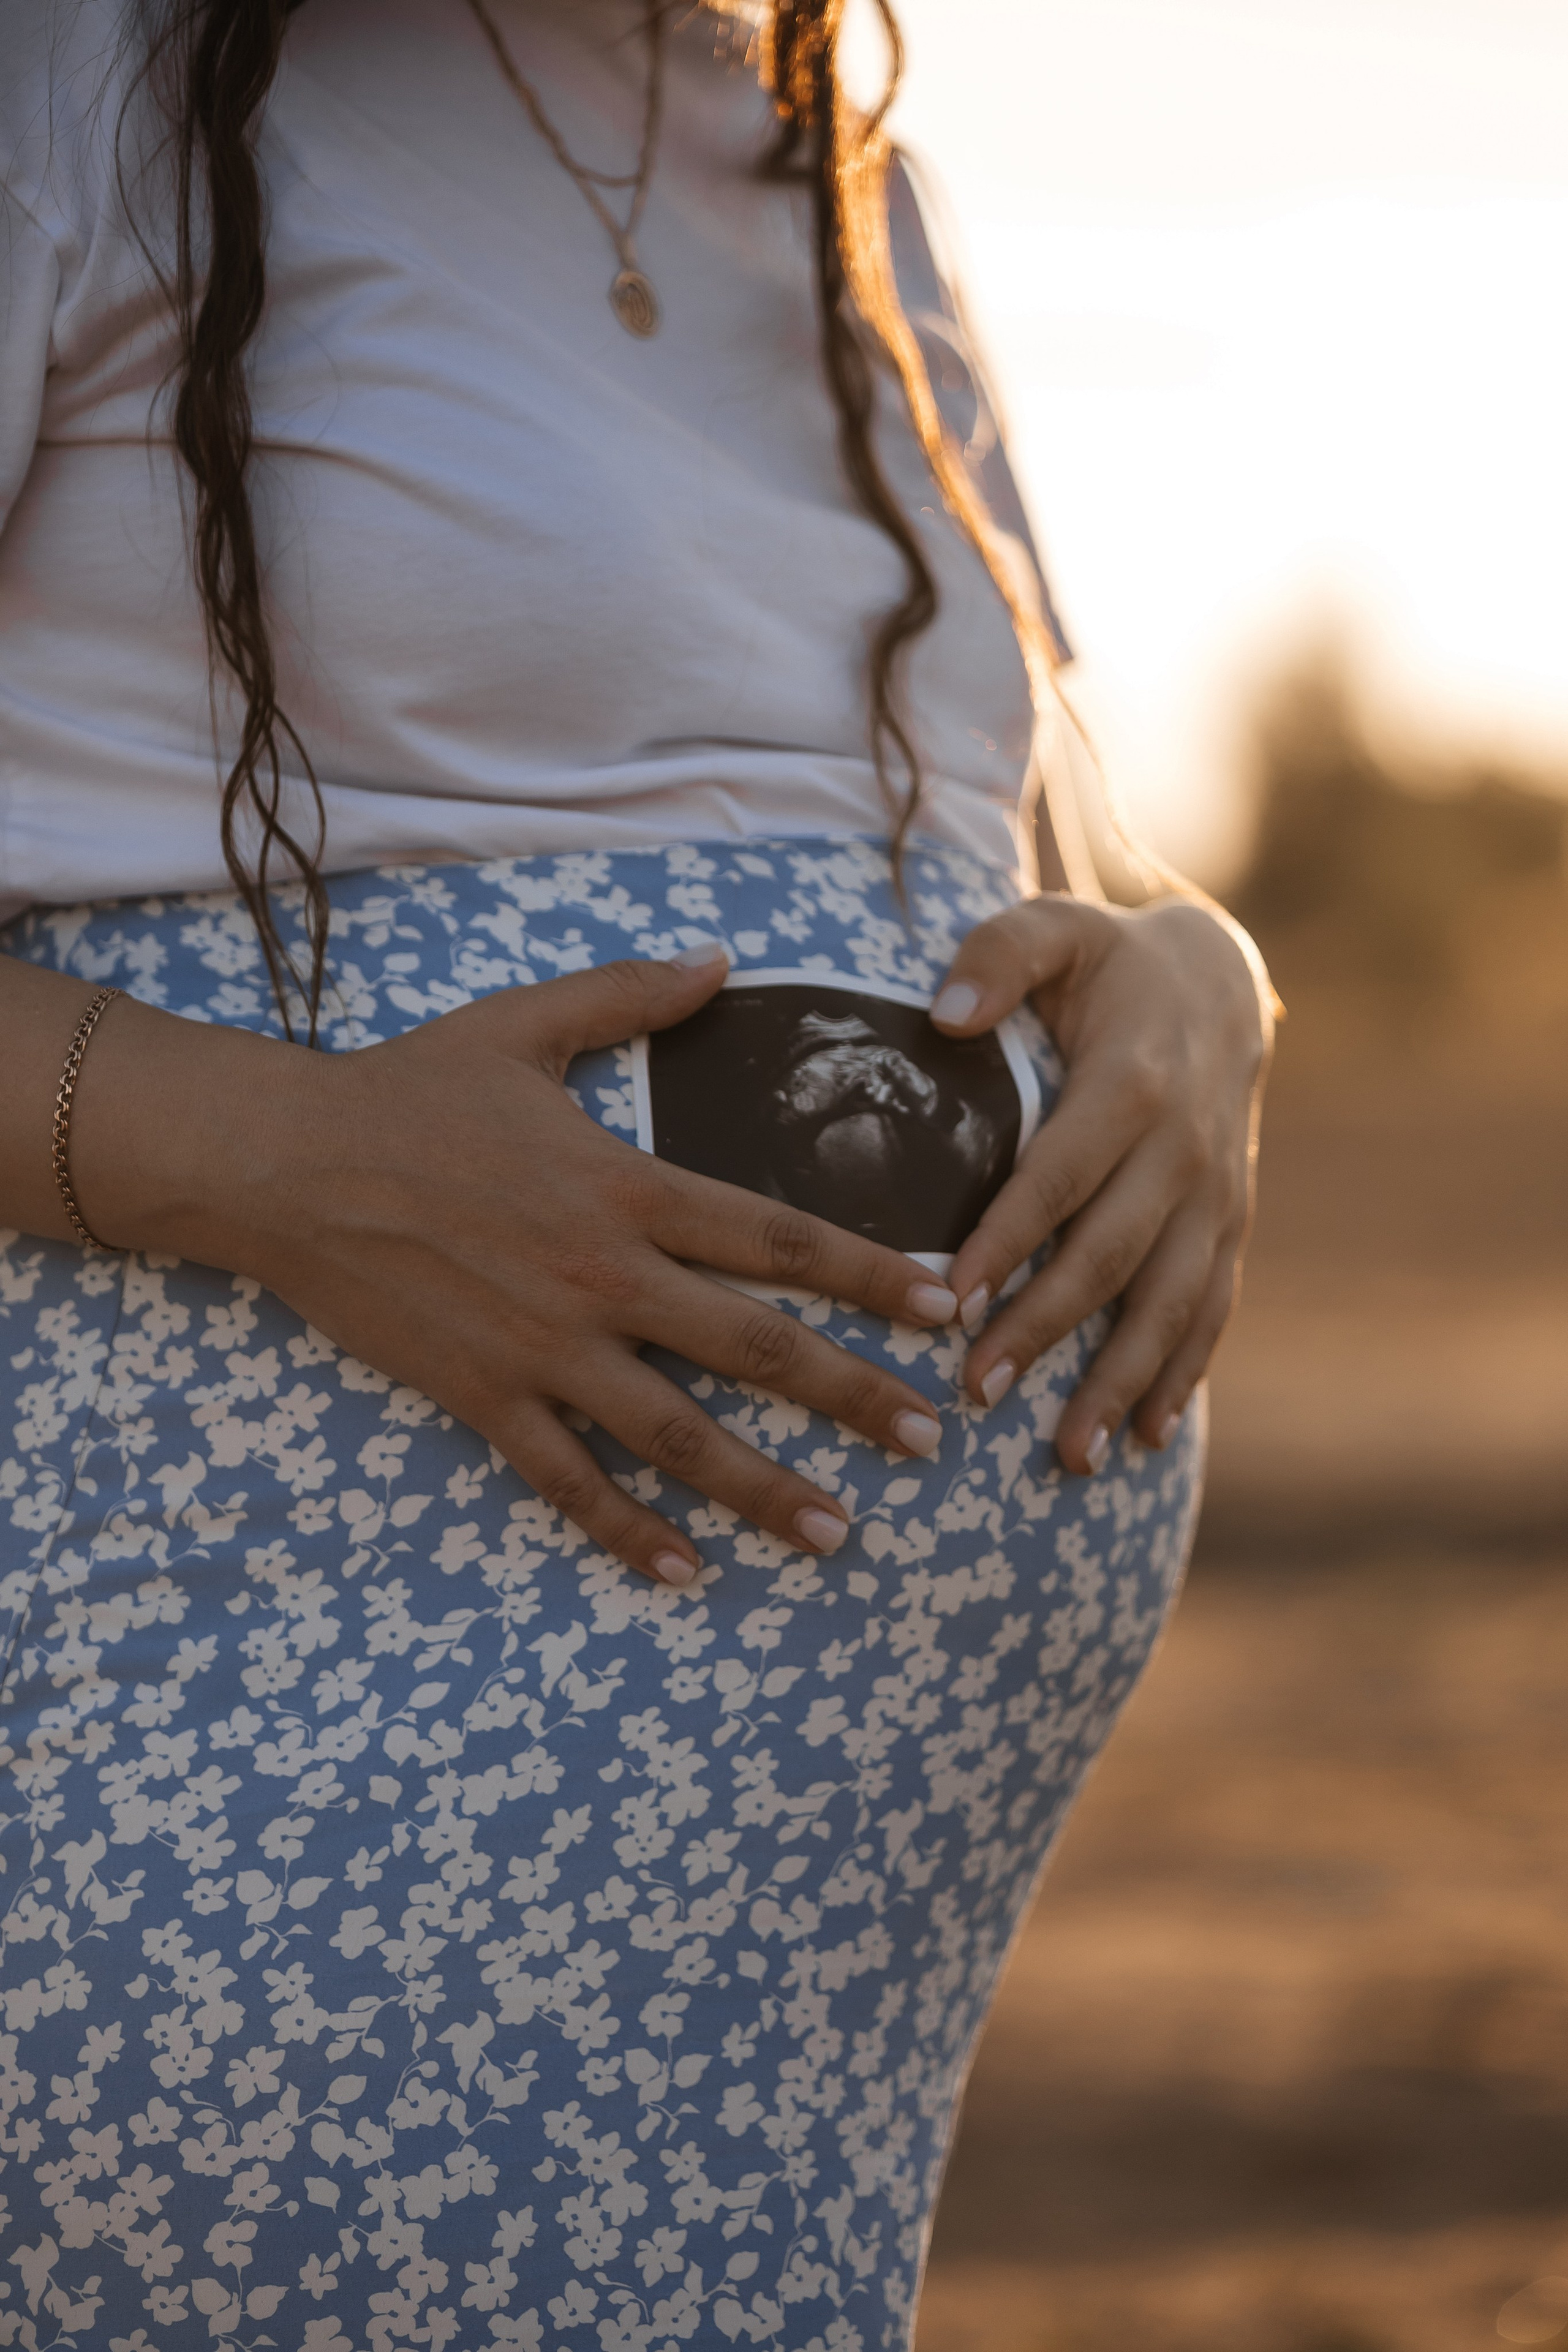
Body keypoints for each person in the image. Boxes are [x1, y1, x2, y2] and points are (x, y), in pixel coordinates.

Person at [0, 1, 1272, 2343]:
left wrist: (1206, 979)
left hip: (803, 2043)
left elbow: (1059, 837)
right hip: (250, 1857)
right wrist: (291, 1163)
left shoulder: (839, 173)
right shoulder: (67, 76)